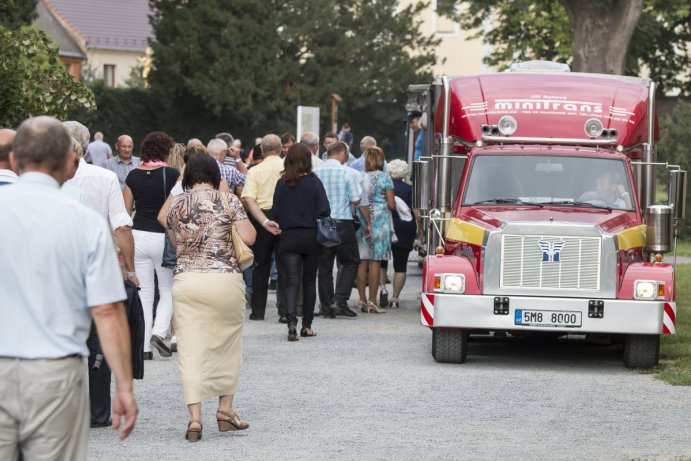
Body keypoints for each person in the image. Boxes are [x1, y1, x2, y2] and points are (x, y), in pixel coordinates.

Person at [0, 116, 137, 460]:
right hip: (55, 369)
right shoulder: (85, 221)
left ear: (15, 161)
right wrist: (123, 383)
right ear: (68, 162)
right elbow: (107, 309)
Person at [165, 151, 255, 442]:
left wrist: (179, 184)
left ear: (188, 176)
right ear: (216, 176)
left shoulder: (178, 202)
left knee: (190, 349)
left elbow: (167, 224)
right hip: (224, 279)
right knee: (227, 344)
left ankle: (194, 420)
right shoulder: (229, 201)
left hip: (187, 281)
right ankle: (225, 410)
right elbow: (250, 237)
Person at [124, 131, 179, 359]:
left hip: (138, 235)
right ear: (166, 151)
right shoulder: (172, 174)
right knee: (169, 289)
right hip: (163, 236)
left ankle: (144, 348)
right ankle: (158, 332)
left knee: (145, 293)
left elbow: (125, 213)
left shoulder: (132, 175)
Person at [272, 143, 330, 340]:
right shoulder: (314, 182)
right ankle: (307, 326)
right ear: (308, 160)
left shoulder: (281, 183)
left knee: (291, 282)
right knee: (308, 282)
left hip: (288, 238)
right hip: (311, 237)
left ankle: (291, 324)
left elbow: (275, 213)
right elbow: (325, 210)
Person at [314, 141, 368, 318]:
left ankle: (326, 306)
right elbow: (356, 200)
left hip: (323, 222)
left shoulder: (316, 173)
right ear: (343, 153)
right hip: (343, 222)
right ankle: (340, 299)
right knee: (350, 262)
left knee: (325, 266)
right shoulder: (347, 172)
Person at [241, 134, 286, 321]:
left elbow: (248, 198)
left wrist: (263, 221)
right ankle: (285, 310)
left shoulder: (255, 171)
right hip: (285, 218)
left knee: (261, 266)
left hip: (261, 217)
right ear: (281, 147)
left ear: (262, 150)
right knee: (285, 265)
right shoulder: (288, 168)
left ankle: (258, 311)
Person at [355, 146, 395, 313]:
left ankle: (362, 300)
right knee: (376, 262)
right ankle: (372, 301)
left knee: (362, 261)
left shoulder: (358, 177)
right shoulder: (385, 178)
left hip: (362, 220)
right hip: (380, 222)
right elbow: (391, 204)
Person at [385, 159, 416, 308]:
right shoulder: (409, 189)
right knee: (401, 265)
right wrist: (421, 230)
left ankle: (381, 290)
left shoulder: (384, 186)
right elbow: (415, 211)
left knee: (380, 262)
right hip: (405, 227)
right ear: (404, 172)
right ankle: (394, 299)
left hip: (386, 224)